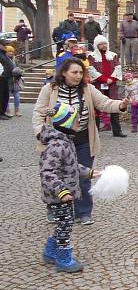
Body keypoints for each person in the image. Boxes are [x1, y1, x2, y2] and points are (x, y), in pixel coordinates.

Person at [33, 58, 129, 226]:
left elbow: (104, 103)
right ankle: (54, 208)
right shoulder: (50, 89)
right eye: (74, 72)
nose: (78, 76)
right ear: (64, 72)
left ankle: (83, 211)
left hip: (83, 139)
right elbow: (39, 112)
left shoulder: (87, 89)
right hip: (56, 141)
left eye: (80, 72)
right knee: (57, 175)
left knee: (83, 176)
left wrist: (121, 105)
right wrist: (41, 133)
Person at [38, 101, 102, 273]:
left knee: (63, 223)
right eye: (75, 121)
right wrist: (62, 191)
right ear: (66, 124)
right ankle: (63, 259)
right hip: (58, 196)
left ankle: (50, 252)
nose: (78, 124)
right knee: (65, 224)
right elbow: (48, 173)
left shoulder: (65, 142)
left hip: (64, 194)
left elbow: (72, 166)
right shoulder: (57, 145)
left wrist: (89, 172)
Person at [87, 35, 126, 138]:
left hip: (111, 85)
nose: (103, 46)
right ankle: (95, 131)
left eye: (104, 43)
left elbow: (118, 68)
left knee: (115, 105)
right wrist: (104, 79)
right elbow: (91, 70)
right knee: (97, 107)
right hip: (98, 85)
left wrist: (111, 79)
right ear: (96, 45)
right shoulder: (92, 56)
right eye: (100, 44)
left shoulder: (113, 55)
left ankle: (117, 131)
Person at [4, 46, 22, 117]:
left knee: (17, 96)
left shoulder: (15, 60)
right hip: (7, 80)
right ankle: (7, 110)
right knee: (6, 96)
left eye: (12, 51)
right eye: (9, 51)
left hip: (15, 80)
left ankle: (17, 110)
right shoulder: (4, 60)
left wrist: (19, 72)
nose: (11, 53)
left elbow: (19, 67)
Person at [0, 39, 14, 119]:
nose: (5, 46)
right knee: (1, 96)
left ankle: (3, 112)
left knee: (5, 96)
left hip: (6, 78)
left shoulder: (4, 54)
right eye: (4, 44)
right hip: (1, 77)